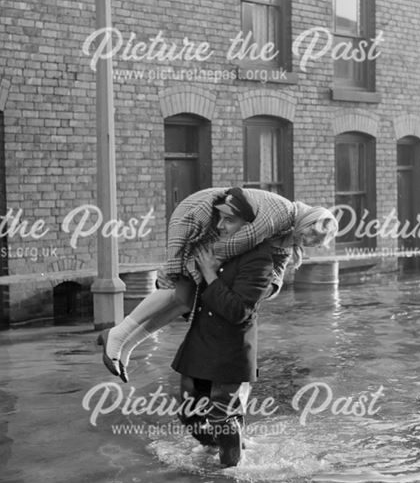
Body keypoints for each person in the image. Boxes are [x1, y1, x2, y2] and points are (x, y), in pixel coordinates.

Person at [101, 187, 337, 380]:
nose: (304, 242)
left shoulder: (288, 229)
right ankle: (117, 334)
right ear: (307, 222)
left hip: (217, 224)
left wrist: (269, 288)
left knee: (184, 302)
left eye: (311, 242)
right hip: (194, 215)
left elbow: (278, 265)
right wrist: (198, 265)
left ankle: (127, 345)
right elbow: (236, 244)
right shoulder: (280, 213)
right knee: (178, 291)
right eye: (307, 236)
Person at [171, 194, 277, 467]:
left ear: (249, 225)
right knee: (188, 411)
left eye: (229, 220)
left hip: (230, 349)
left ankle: (230, 471)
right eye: (219, 218)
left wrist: (209, 274)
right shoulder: (216, 247)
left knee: (221, 416)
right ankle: (225, 445)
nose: (220, 225)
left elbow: (238, 311)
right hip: (200, 342)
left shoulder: (260, 257)